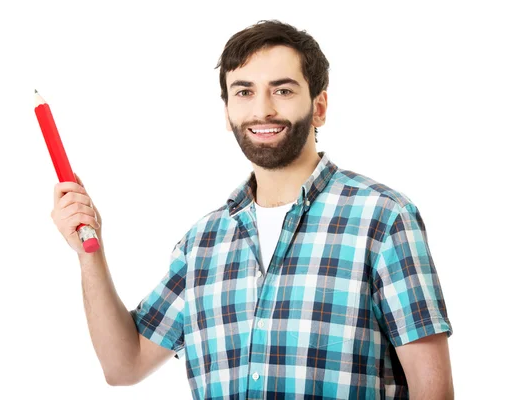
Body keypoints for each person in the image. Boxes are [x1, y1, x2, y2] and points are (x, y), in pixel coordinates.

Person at [51, 20, 454, 399]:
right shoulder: (202, 244)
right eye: (244, 92)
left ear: (319, 107)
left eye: (282, 90)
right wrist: (91, 254)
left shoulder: (382, 218)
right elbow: (125, 364)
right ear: (227, 111)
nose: (262, 110)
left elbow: (432, 390)